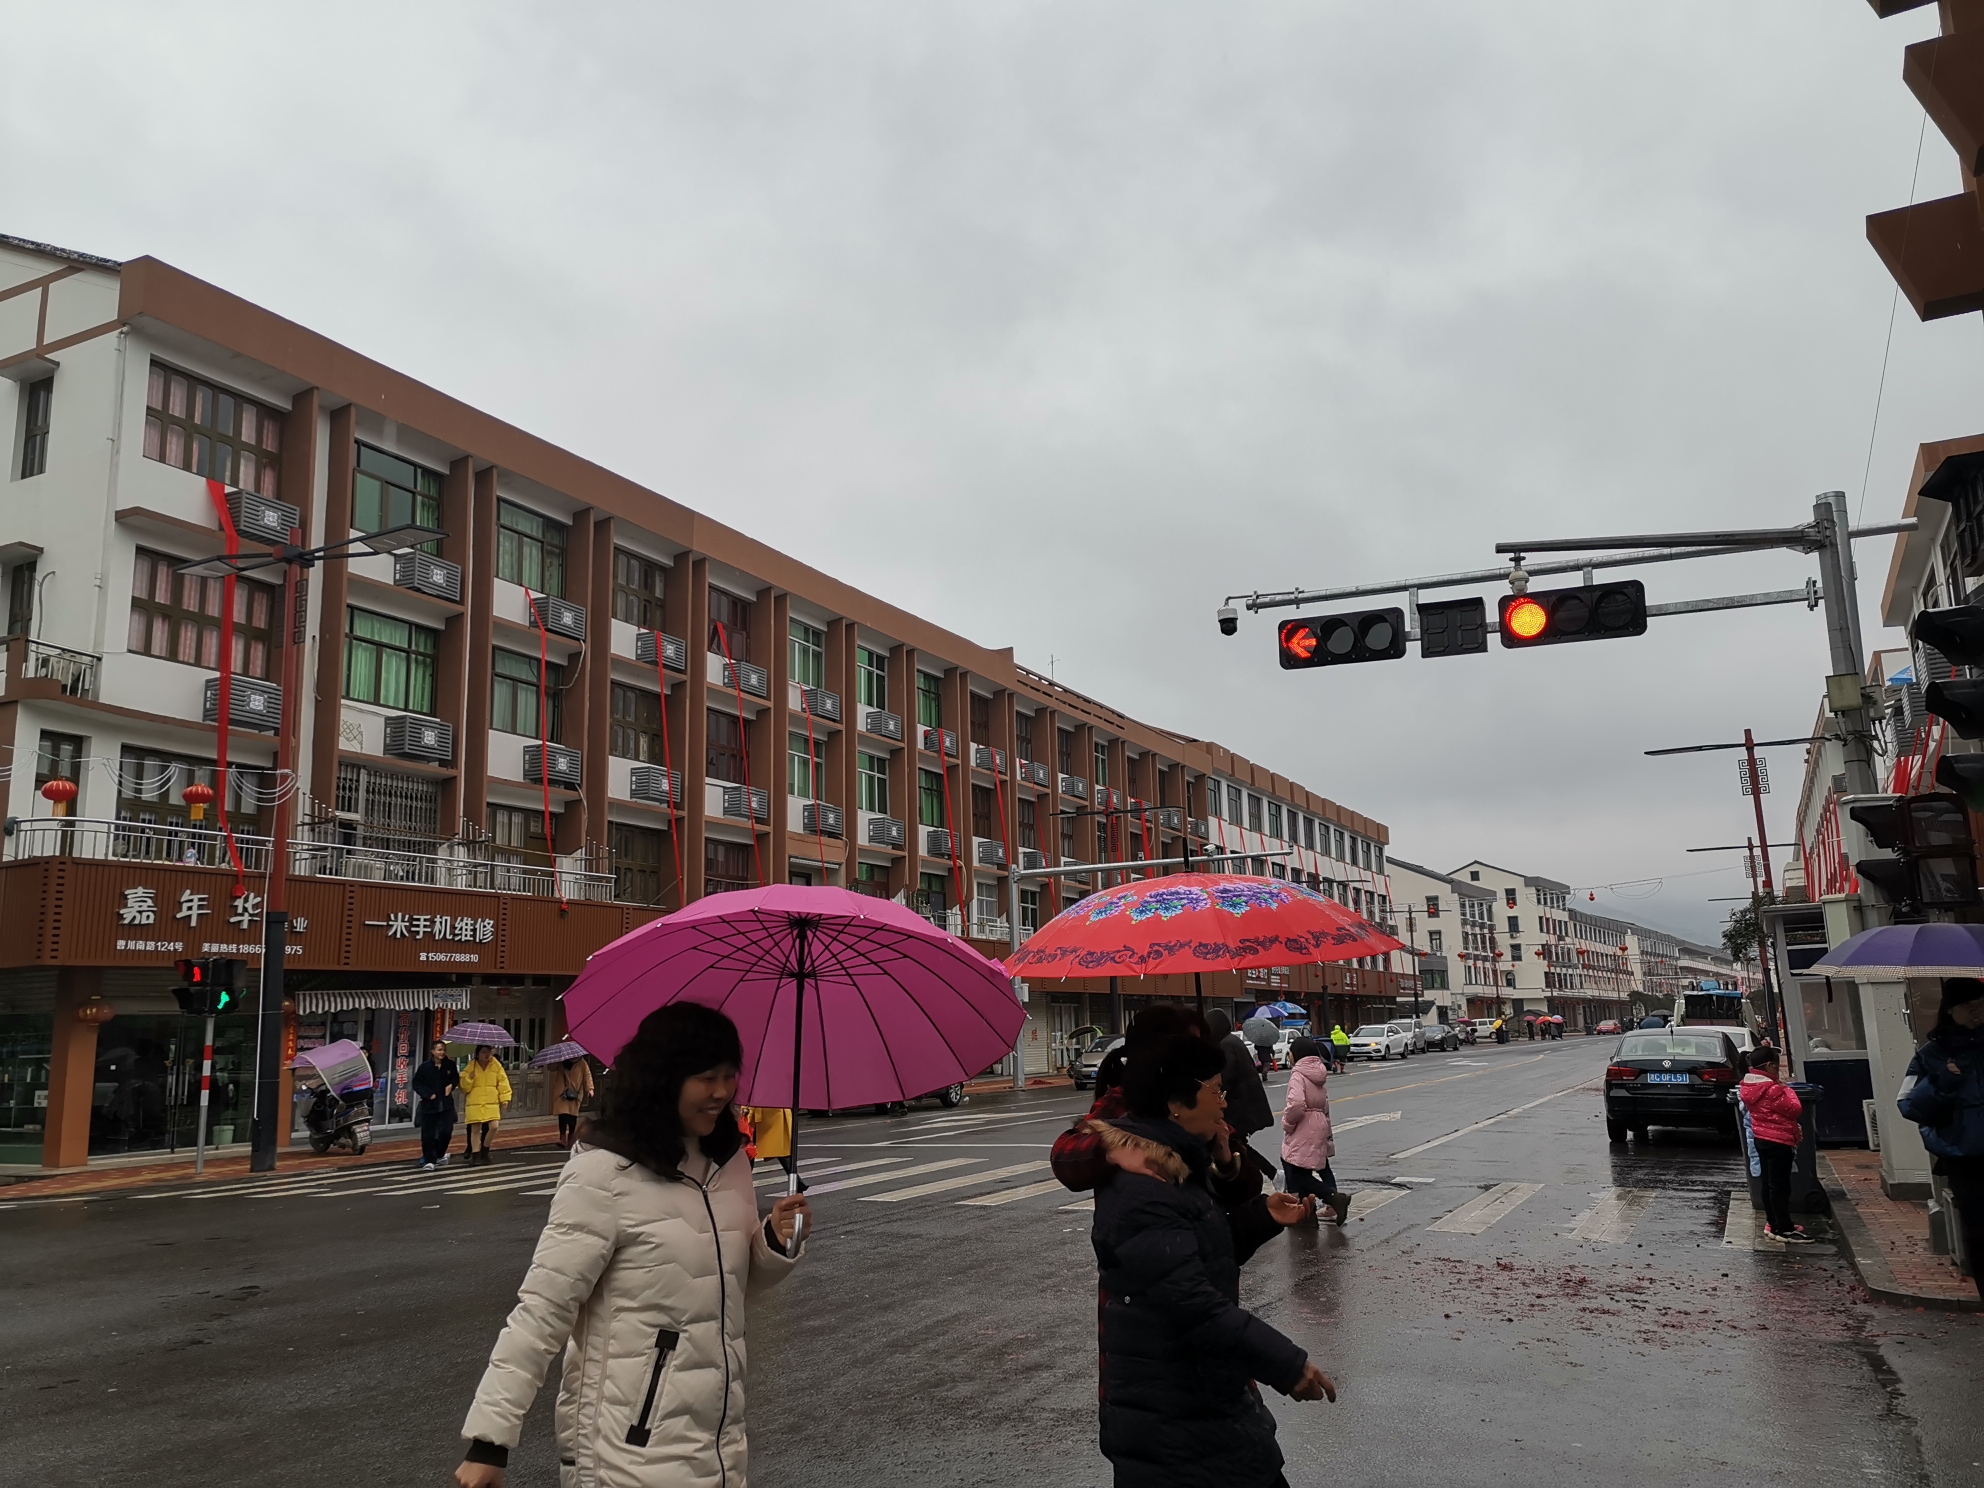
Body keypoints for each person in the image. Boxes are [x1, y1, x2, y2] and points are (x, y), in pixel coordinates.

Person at [453, 1002, 810, 1488]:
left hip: (720, 1447)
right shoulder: (604, 1172)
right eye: (707, 1077)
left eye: (730, 1076)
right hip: (625, 1451)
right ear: (664, 1077)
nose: (722, 1092)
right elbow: (543, 1310)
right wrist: (489, 1444)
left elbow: (729, 1284)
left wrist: (774, 1241)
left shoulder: (729, 1165)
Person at [1089, 1034, 1335, 1486]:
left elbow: (1193, 1255)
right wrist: (1285, 1363)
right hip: (1173, 1421)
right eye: (1215, 1090)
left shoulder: (1176, 1166)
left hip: (1197, 1402)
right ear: (1177, 1102)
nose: (1225, 1104)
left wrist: (1261, 1217)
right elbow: (1189, 1301)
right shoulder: (1144, 1186)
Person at [1899, 977, 1984, 1298]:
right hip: (1965, 1156)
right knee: (1979, 1233)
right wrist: (1944, 1082)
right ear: (1951, 1010)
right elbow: (1908, 1104)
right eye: (1970, 1006)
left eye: (1982, 1004)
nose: (1978, 1012)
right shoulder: (1932, 1055)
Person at [1739, 1046, 1809, 1243]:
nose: (1778, 1072)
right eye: (1777, 1067)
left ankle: (1773, 1223)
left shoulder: (1748, 1085)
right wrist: (1787, 1089)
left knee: (1768, 1183)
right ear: (1769, 1065)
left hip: (1761, 1138)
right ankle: (1783, 1228)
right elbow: (1794, 1109)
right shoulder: (1773, 1089)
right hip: (1779, 1140)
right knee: (1780, 1186)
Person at [1280, 1037, 1351, 1225]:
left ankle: (1331, 1199)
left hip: (1303, 1127)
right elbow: (1324, 1104)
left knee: (1295, 1169)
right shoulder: (1318, 1074)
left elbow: (1295, 1105)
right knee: (1317, 1166)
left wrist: (1287, 1123)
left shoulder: (1298, 1075)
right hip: (1318, 1125)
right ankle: (1310, 1210)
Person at [1205, 1008, 1274, 1139]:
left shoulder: (1225, 1045)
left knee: (1235, 1143)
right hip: (1246, 1105)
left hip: (1238, 1108)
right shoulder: (1232, 1041)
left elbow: (1226, 1077)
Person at [459, 1045, 512, 1166]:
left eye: (488, 1052)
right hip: (475, 1101)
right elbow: (464, 1087)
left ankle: (485, 1149)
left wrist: (505, 1099)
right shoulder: (471, 1066)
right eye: (483, 1052)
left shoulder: (496, 1065)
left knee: (494, 1126)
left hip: (491, 1101)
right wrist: (469, 1079)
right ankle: (476, 1155)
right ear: (478, 1054)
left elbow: (503, 1082)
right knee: (475, 1129)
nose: (487, 1055)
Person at [412, 1039, 459, 1171]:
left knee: (446, 1132)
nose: (442, 1052)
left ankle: (439, 1155)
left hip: (446, 1105)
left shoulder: (450, 1065)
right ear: (433, 1051)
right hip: (429, 1105)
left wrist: (451, 1085)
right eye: (439, 1050)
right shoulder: (425, 1067)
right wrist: (428, 1094)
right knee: (428, 1135)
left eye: (443, 1050)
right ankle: (429, 1160)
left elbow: (455, 1078)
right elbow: (417, 1083)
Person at [742, 1104, 805, 1193]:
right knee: (748, 1150)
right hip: (768, 1112)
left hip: (766, 1112)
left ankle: (797, 1183)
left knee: (747, 1149)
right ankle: (797, 1183)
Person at [549, 1055, 594, 1150]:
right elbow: (551, 1068)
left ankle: (571, 1137)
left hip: (575, 1093)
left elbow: (587, 1075)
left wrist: (590, 1088)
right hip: (562, 1093)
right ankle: (562, 1137)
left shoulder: (582, 1063)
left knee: (572, 1117)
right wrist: (556, 1061)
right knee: (562, 1116)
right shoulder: (562, 1061)